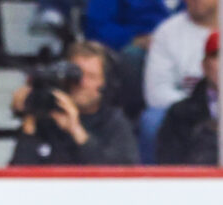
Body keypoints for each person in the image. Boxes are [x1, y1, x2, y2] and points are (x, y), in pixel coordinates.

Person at [9, 39, 139, 167]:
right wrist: (30, 118)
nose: (81, 83)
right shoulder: (44, 118)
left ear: (105, 83)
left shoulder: (114, 123)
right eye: (76, 74)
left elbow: (121, 178)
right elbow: (17, 179)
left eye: (91, 76)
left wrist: (76, 130)